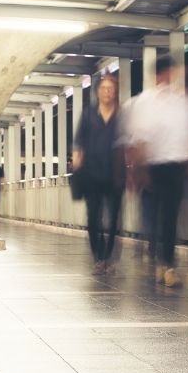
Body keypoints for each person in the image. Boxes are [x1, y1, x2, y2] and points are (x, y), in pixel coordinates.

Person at [120, 55, 188, 288]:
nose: (172, 77)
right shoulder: (145, 102)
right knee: (152, 219)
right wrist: (136, 172)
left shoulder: (184, 103)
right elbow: (139, 139)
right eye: (169, 72)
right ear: (160, 74)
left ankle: (167, 264)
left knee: (169, 217)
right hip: (151, 167)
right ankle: (158, 258)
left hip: (176, 166)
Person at [73, 73, 124, 275]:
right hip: (91, 173)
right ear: (97, 92)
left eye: (111, 88)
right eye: (103, 88)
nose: (107, 92)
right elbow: (79, 140)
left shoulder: (121, 114)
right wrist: (77, 158)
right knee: (93, 217)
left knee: (113, 219)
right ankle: (99, 257)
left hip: (115, 174)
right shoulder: (88, 114)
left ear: (115, 92)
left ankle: (109, 257)